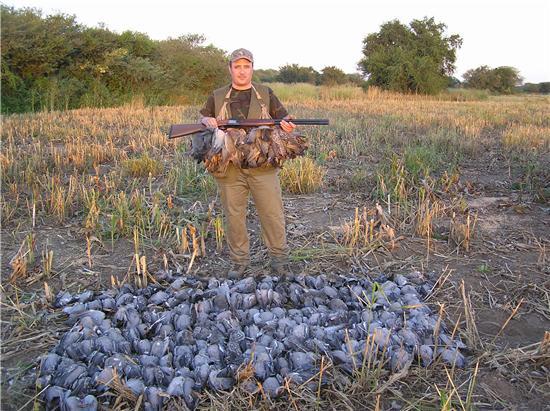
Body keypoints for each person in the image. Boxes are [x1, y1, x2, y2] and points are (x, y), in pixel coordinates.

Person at [198, 48, 296, 280]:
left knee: (272, 214)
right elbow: (202, 117)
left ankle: (279, 260)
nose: (242, 71)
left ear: (252, 68)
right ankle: (239, 262)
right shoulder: (218, 95)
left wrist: (287, 125)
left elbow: (284, 118)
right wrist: (207, 120)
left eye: (246, 66)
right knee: (234, 216)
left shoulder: (265, 93)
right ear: (230, 68)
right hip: (229, 167)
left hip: (262, 166)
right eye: (237, 66)